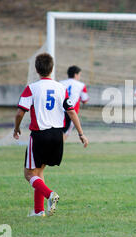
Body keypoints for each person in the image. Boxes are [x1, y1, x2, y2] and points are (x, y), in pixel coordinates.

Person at [14, 53, 89, 217]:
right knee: (39, 173)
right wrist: (81, 134)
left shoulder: (32, 88)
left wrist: (16, 128)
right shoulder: (61, 88)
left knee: (29, 174)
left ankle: (50, 195)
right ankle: (38, 211)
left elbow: (20, 113)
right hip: (57, 135)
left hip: (40, 135)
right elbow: (71, 112)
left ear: (36, 69)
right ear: (52, 68)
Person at [60, 65, 89, 141]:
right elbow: (85, 100)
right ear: (76, 75)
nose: (79, 77)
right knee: (65, 134)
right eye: (79, 74)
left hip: (59, 112)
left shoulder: (60, 83)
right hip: (71, 113)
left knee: (57, 132)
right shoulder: (81, 85)